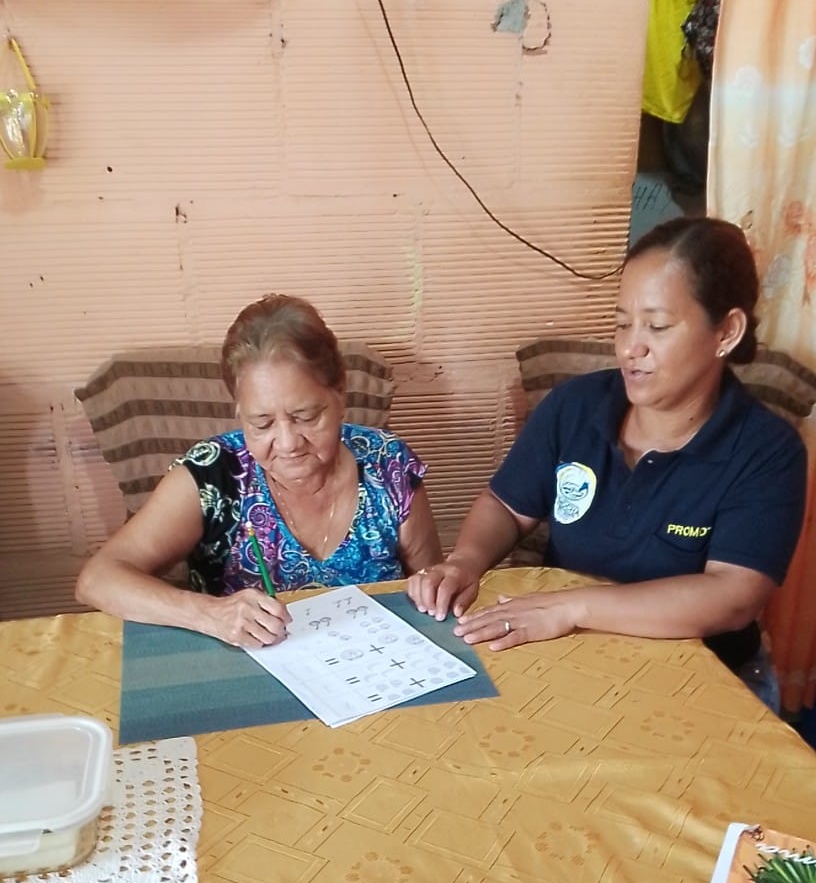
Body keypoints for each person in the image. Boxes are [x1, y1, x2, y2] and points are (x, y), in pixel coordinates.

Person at [407, 216, 807, 711]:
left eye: (657, 326)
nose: (630, 348)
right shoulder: (574, 407)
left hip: (702, 680)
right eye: (621, 324)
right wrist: (465, 562)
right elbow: (506, 507)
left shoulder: (767, 452)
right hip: (567, 656)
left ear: (726, 331)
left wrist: (572, 608)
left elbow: (732, 596)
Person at [76, 294, 441, 647]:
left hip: (374, 664)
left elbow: (429, 584)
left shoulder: (388, 466)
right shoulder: (214, 476)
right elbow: (98, 579)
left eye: (306, 417)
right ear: (239, 410)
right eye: (262, 423)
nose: (288, 443)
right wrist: (210, 614)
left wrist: (436, 586)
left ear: (340, 392)